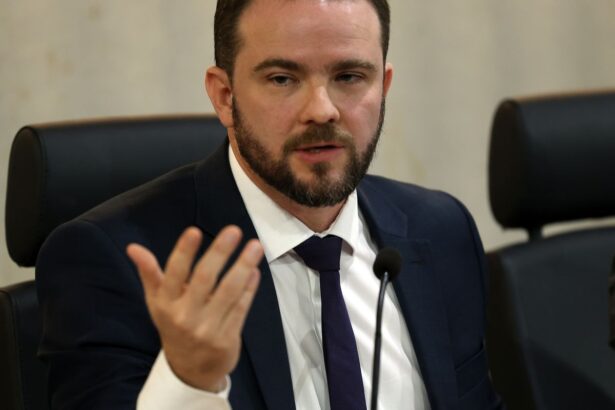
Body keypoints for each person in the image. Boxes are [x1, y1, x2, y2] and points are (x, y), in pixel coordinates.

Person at [36, 0, 503, 409]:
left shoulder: (441, 231)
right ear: (224, 96)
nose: (321, 110)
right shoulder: (114, 262)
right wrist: (188, 381)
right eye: (282, 78)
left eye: (349, 77)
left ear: (384, 86)